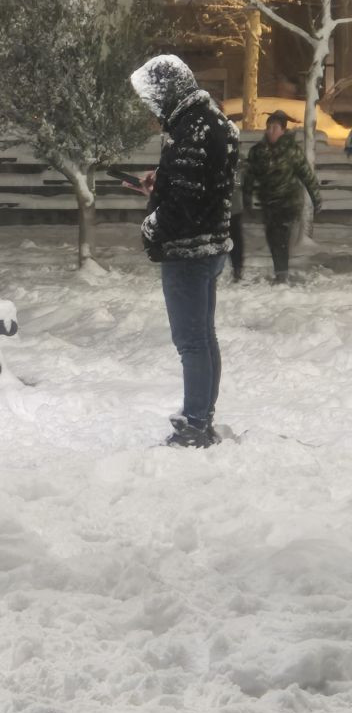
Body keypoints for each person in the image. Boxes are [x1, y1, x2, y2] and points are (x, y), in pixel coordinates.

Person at [129, 55, 239, 449]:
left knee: (192, 342)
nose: (151, 107)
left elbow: (184, 206)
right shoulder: (210, 119)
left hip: (189, 252)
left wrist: (150, 227)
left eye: (151, 98)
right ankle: (200, 415)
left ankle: (195, 425)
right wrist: (159, 185)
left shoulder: (191, 127)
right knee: (203, 338)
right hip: (209, 246)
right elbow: (201, 184)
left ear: (166, 90)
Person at [241, 109, 321, 285]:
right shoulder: (258, 151)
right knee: (272, 237)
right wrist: (246, 199)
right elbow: (249, 176)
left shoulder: (292, 151)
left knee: (280, 236)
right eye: (268, 127)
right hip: (268, 202)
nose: (270, 130)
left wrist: (316, 199)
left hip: (288, 201)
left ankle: (281, 275)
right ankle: (281, 271)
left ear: (283, 130)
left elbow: (307, 175)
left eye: (275, 127)